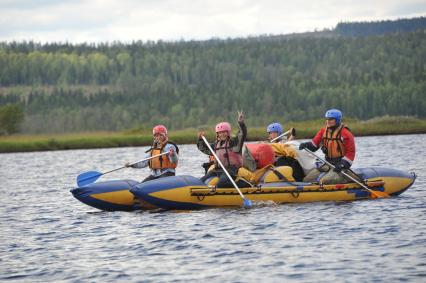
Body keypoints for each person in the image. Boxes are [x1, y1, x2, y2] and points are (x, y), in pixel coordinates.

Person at [299, 109, 356, 184]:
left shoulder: (346, 134)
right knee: (307, 180)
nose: (328, 121)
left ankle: (345, 178)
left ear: (337, 120)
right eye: (327, 119)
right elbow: (314, 146)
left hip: (339, 166)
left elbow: (351, 153)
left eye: (331, 119)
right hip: (327, 164)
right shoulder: (323, 131)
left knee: (325, 181)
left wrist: (342, 164)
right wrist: (306, 145)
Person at [197, 111, 249, 188]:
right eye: (220, 133)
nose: (222, 134)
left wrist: (241, 123)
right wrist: (200, 140)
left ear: (228, 132)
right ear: (217, 134)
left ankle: (242, 183)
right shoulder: (216, 145)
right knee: (200, 181)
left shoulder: (234, 143)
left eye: (224, 132)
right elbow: (203, 149)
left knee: (221, 184)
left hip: (231, 170)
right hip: (217, 170)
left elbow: (242, 134)